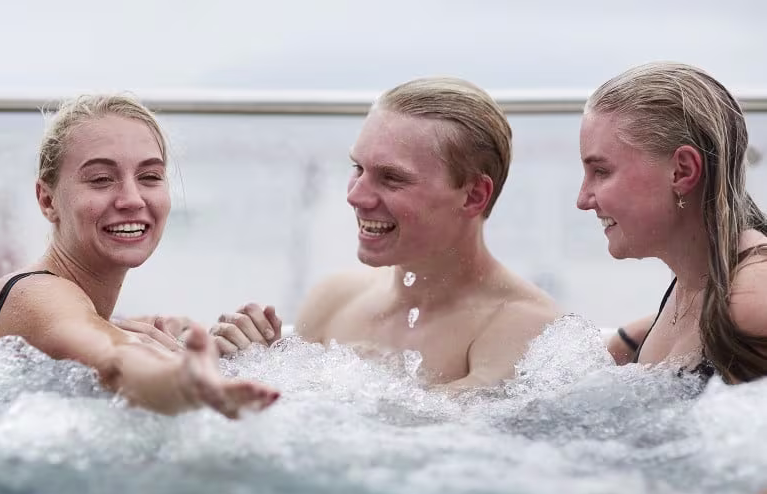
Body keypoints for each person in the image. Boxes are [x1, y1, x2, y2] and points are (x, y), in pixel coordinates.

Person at [208, 77, 562, 389]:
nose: (355, 195)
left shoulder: (524, 327)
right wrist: (257, 366)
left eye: (391, 178)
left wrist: (270, 379)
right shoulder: (333, 299)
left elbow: (424, 439)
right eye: (357, 168)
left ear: (473, 195)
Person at [0, 94, 279, 418]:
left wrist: (236, 361)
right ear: (47, 200)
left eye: (149, 177)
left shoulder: (93, 315)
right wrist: (184, 380)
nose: (132, 199)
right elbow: (115, 361)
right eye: (101, 179)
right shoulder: (35, 294)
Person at [578, 62, 767, 383]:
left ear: (682, 171)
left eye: (601, 172)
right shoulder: (698, 281)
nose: (583, 199)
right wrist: (625, 344)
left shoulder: (751, 303)